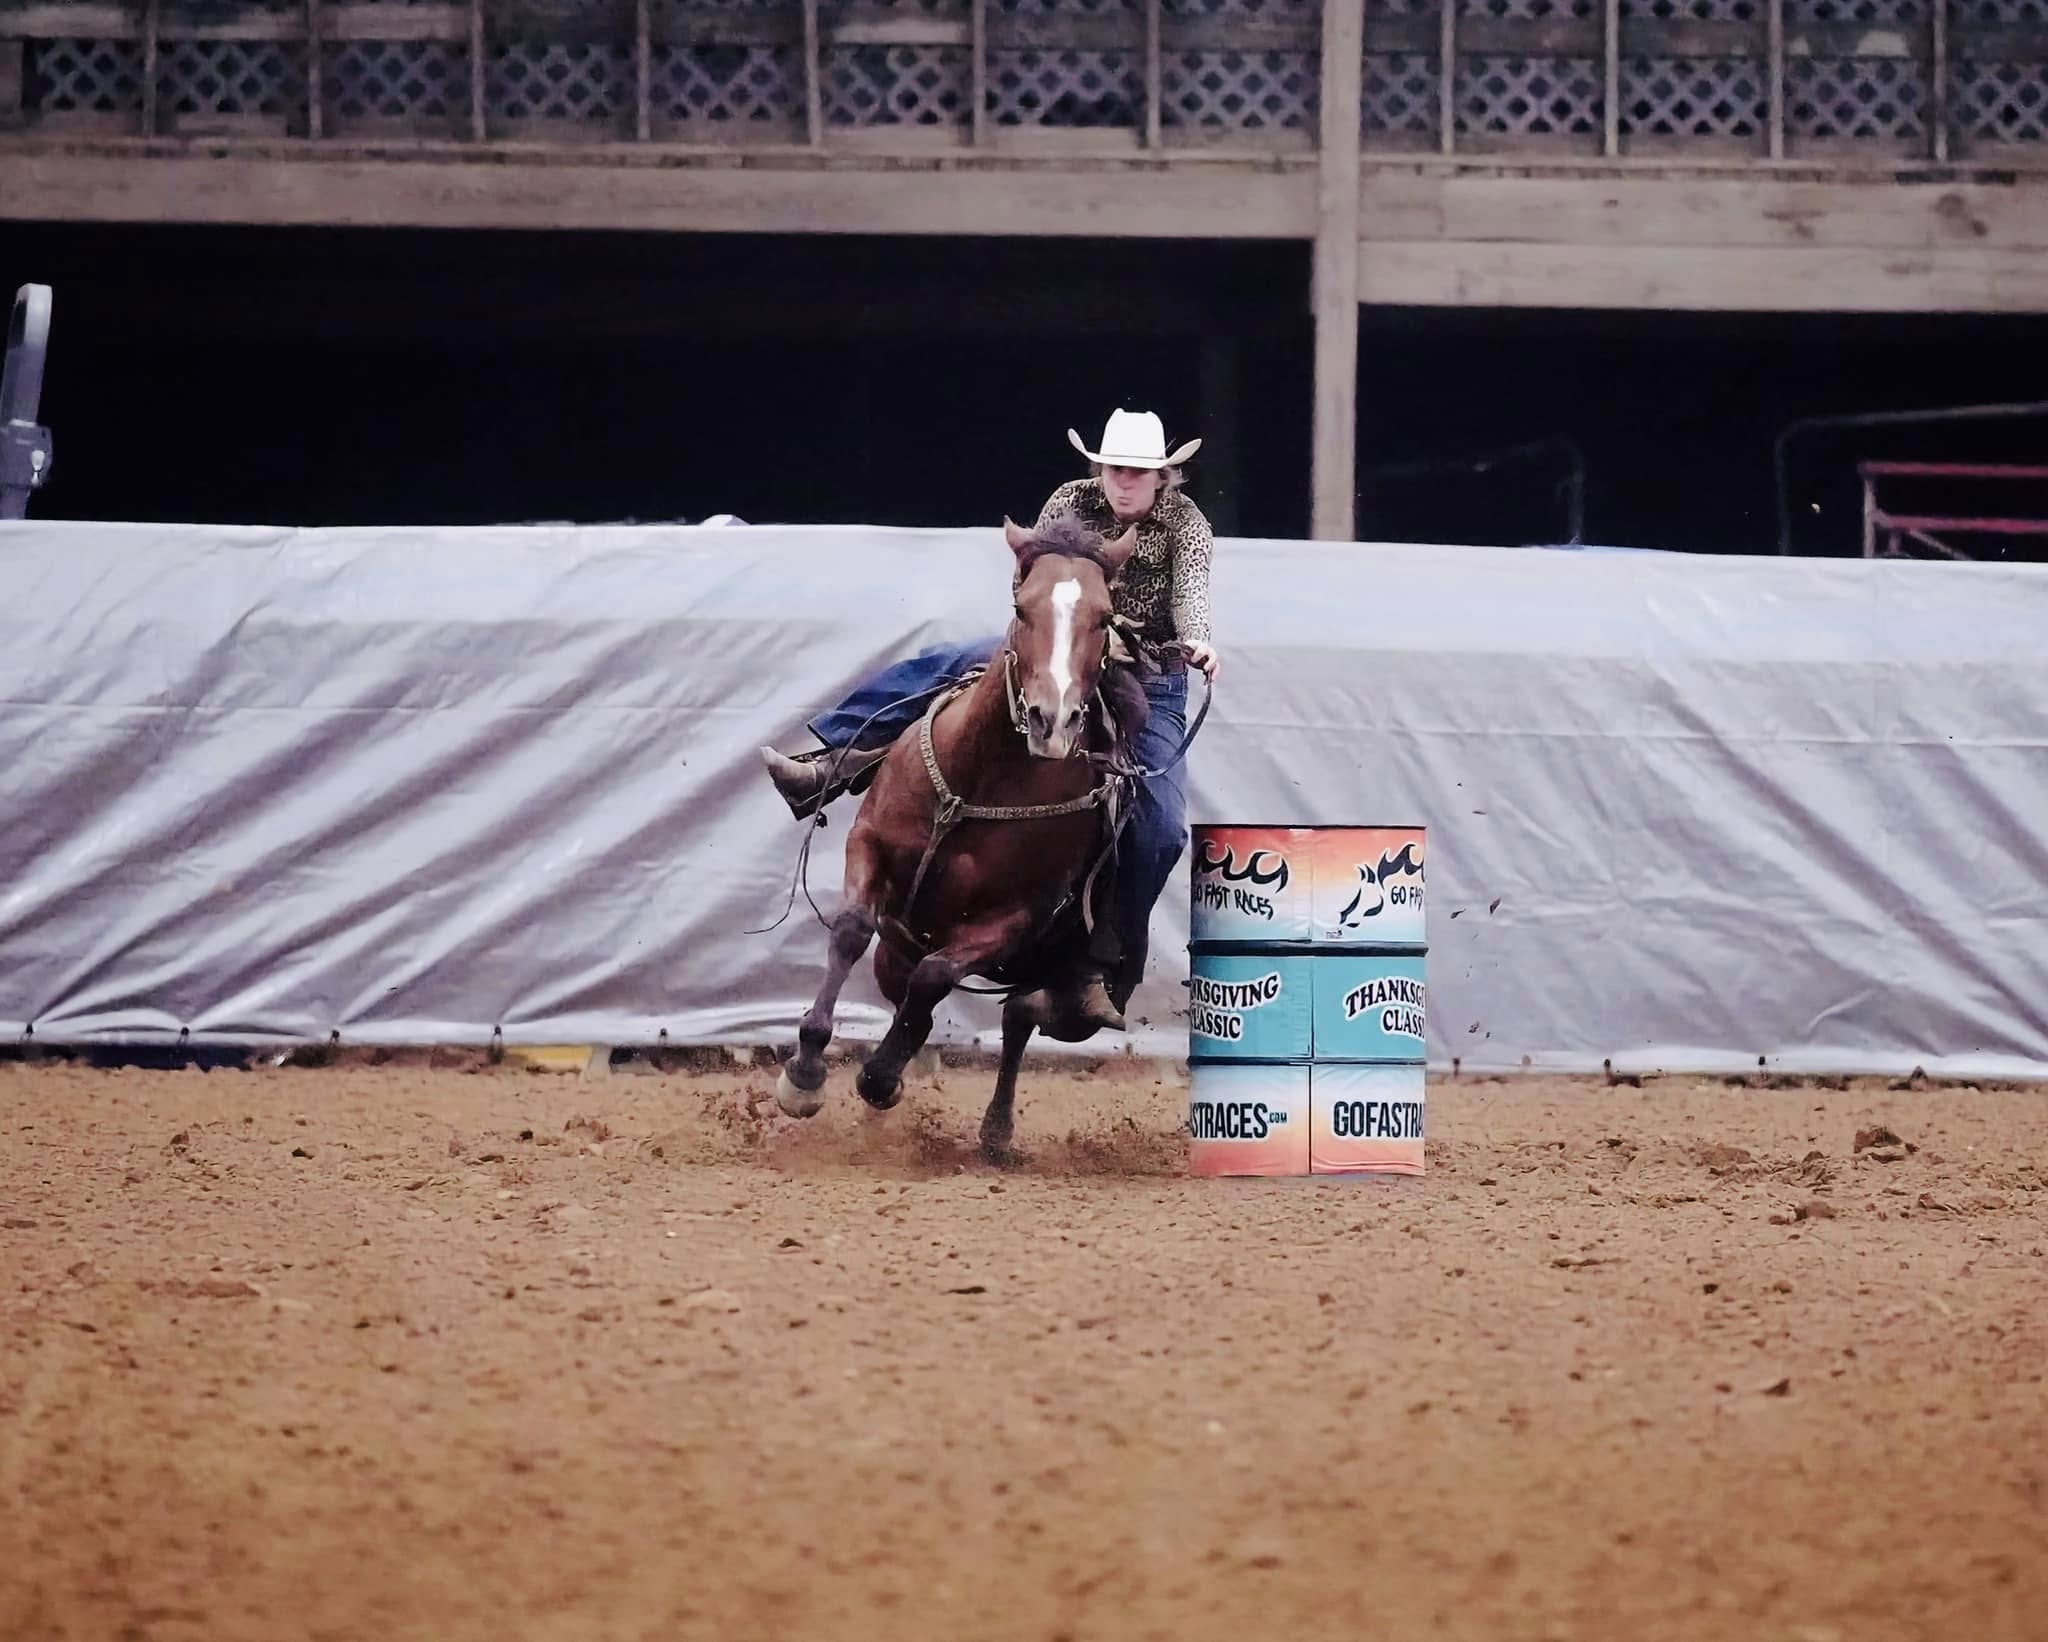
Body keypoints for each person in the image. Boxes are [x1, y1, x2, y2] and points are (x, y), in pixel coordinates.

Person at [759, 408, 1221, 1030]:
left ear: (1163, 476)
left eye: (1138, 471)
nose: (1125, 480)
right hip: (1052, 647)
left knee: (1160, 830)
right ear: (1101, 469)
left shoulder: (1186, 525)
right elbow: (1029, 580)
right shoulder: (1070, 501)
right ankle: (831, 764)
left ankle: (1096, 962)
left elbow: (1191, 594)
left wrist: (1198, 639)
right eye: (1116, 468)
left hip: (1149, 673)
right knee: (944, 665)